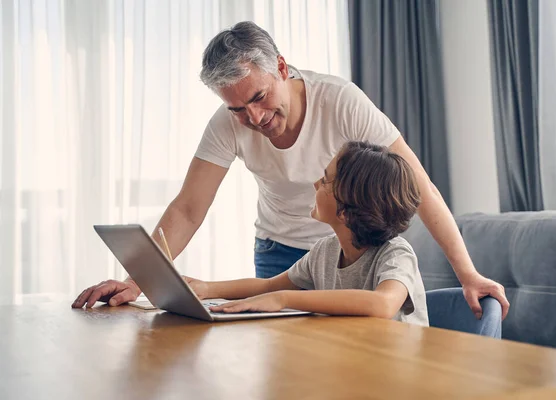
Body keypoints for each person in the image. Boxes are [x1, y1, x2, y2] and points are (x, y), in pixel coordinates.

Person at [72, 21, 509, 320]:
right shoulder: (228, 125)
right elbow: (188, 209)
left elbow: (420, 185)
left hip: (358, 252)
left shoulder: (341, 102)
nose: (254, 117)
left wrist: (467, 273)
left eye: (259, 97)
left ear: (281, 67)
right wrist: (139, 281)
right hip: (288, 256)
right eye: (237, 108)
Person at [185, 141, 428, 325]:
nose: (315, 184)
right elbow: (268, 287)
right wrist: (207, 288)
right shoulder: (325, 251)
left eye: (325, 180)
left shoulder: (396, 254)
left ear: (346, 210)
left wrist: (285, 299)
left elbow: (383, 304)